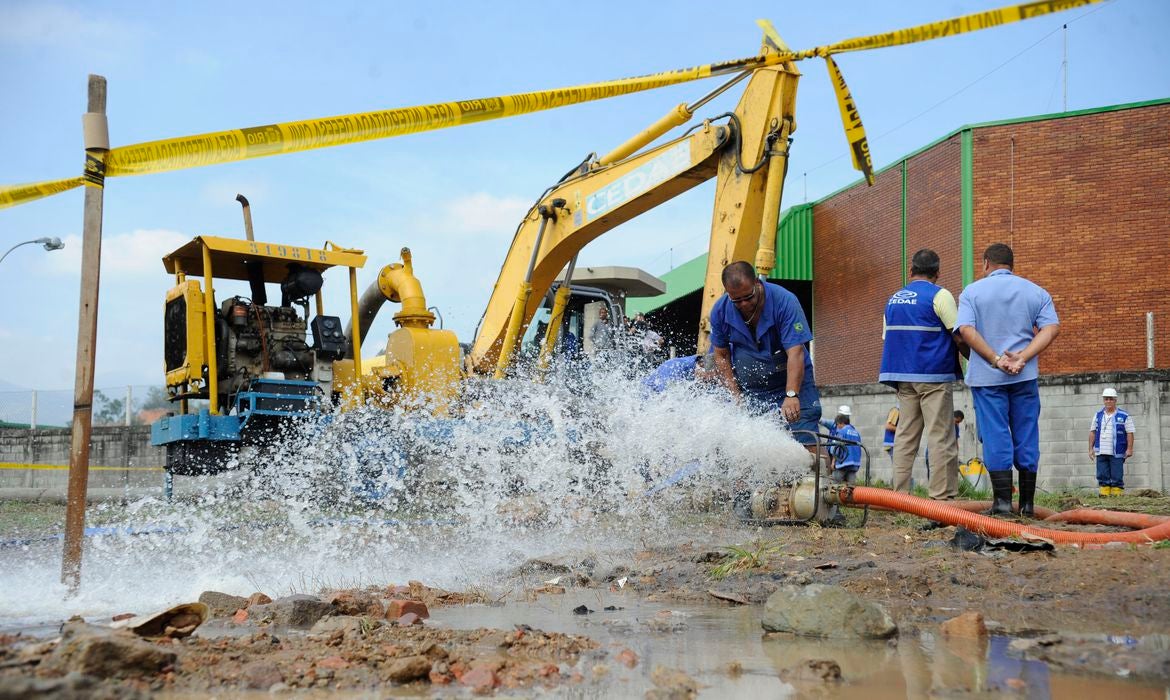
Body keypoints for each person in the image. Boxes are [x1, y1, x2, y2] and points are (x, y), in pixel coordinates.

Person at [955, 243, 1060, 517]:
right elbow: (1051, 328)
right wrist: (1023, 357)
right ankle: (1027, 504)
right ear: (1011, 265)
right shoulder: (1036, 291)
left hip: (988, 379)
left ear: (986, 263)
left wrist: (994, 359)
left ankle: (1002, 504)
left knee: (996, 435)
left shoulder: (971, 292)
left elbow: (965, 329)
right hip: (1024, 377)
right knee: (1027, 433)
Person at [880, 249, 966, 501]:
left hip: (902, 377)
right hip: (933, 375)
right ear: (937, 273)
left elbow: (889, 338)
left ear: (911, 270)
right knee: (940, 437)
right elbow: (958, 334)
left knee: (905, 436)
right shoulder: (940, 295)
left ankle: (900, 496)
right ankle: (941, 498)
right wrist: (975, 359)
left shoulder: (893, 299)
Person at [709, 261, 821, 445]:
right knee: (754, 447)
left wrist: (792, 395)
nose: (744, 304)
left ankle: (819, 471)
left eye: (748, 297)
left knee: (805, 440)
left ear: (757, 283)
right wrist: (735, 395)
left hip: (792, 383)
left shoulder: (784, 301)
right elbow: (721, 355)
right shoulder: (720, 311)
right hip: (753, 391)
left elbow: (796, 352)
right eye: (737, 300)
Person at [1089, 387, 1135, 497]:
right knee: (1102, 475)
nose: (1108, 401)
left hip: (1117, 452)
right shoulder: (1098, 415)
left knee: (1117, 476)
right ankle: (1104, 498)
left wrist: (1129, 449)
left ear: (1115, 400)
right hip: (1101, 451)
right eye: (1106, 399)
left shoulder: (1124, 416)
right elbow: (1092, 432)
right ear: (1103, 400)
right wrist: (1090, 449)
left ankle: (1117, 499)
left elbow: (1130, 433)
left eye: (1111, 399)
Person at [820, 405, 862, 484]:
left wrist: (833, 462)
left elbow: (836, 448)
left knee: (834, 485)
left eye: (838, 425)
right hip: (854, 464)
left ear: (840, 423)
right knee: (851, 488)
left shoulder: (841, 431)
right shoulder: (856, 432)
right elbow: (859, 448)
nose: (837, 427)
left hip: (843, 463)